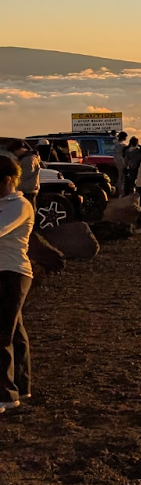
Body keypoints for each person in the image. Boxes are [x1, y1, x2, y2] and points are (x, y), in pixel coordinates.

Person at [0, 155, 32, 414]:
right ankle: (21, 386)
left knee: (2, 334)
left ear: (7, 180)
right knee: (15, 331)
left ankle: (6, 395)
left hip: (12, 272)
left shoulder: (19, 205)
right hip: (6, 272)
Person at [114, 132, 129, 197]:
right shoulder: (122, 146)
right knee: (121, 177)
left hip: (116, 160)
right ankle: (121, 192)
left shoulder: (115, 143)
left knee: (119, 177)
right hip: (121, 161)